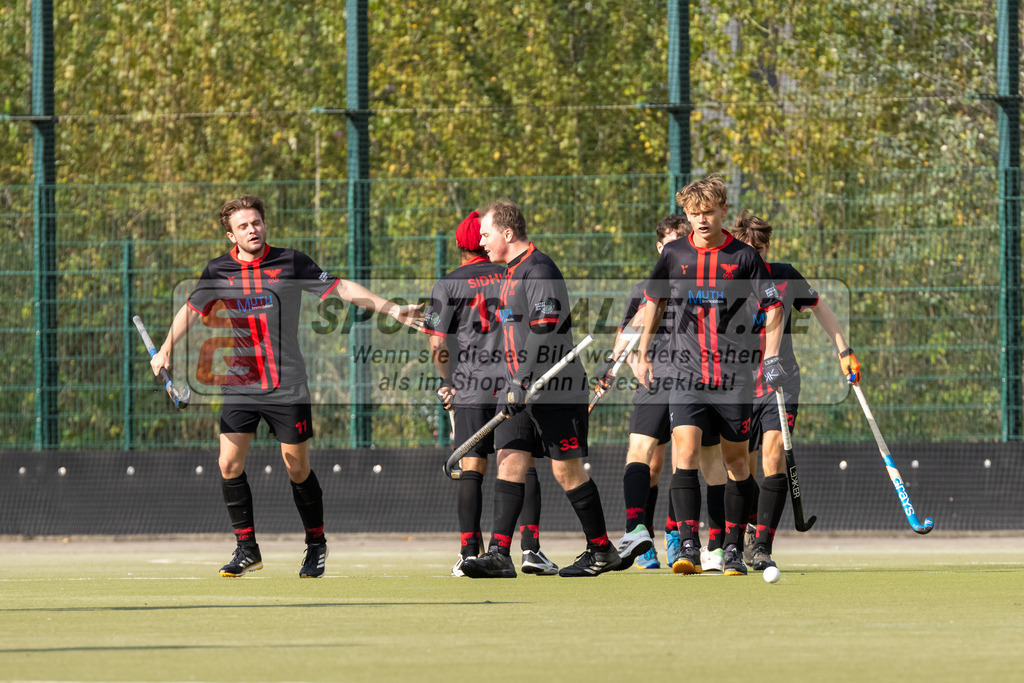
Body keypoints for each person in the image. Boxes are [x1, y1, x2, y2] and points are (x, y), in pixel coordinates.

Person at [149, 195, 423, 578]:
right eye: (244, 226)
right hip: (241, 383)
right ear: (231, 234)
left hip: (286, 383)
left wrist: (391, 308)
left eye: (257, 222)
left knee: (296, 467)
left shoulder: (291, 261)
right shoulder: (218, 270)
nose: (253, 229)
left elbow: (341, 288)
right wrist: (164, 350)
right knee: (228, 464)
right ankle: (247, 550)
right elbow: (192, 310)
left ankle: (316, 545)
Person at [460, 199, 621, 578]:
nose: (481, 242)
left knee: (567, 473)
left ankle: (602, 551)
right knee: (510, 461)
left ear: (507, 233)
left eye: (486, 234)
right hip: (519, 391)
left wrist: (520, 380)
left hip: (555, 389)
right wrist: (510, 382)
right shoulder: (510, 274)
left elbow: (544, 328)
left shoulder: (539, 269)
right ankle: (500, 554)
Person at [634, 175, 785, 576]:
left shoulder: (744, 257)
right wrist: (644, 351)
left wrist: (770, 357)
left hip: (734, 378)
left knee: (737, 463)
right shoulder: (675, 254)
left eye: (708, 212)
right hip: (686, 375)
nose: (701, 220)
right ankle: (687, 545)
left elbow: (774, 308)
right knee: (684, 454)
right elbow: (654, 300)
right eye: (693, 213)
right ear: (687, 214)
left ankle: (733, 548)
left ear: (722, 212)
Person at [423, 210, 558, 577]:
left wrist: (447, 380)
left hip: (470, 385)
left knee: (472, 467)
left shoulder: (448, 283)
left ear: (458, 244)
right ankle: (530, 548)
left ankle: (468, 551)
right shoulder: (511, 273)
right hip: (515, 380)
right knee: (520, 463)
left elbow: (436, 340)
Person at [592, 214, 729, 572]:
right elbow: (622, 337)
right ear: (659, 248)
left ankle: (680, 534)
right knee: (646, 459)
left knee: (692, 460)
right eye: (668, 246)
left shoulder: (700, 282)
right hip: (653, 380)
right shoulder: (643, 289)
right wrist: (617, 360)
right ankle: (638, 532)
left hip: (694, 380)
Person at [729, 210, 860, 570]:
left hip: (780, 382)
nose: (756, 258)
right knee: (740, 465)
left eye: (761, 250)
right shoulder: (726, 281)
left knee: (772, 457)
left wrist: (843, 350)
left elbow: (820, 307)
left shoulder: (785, 275)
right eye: (748, 251)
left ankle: (762, 546)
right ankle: (739, 533)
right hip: (736, 385)